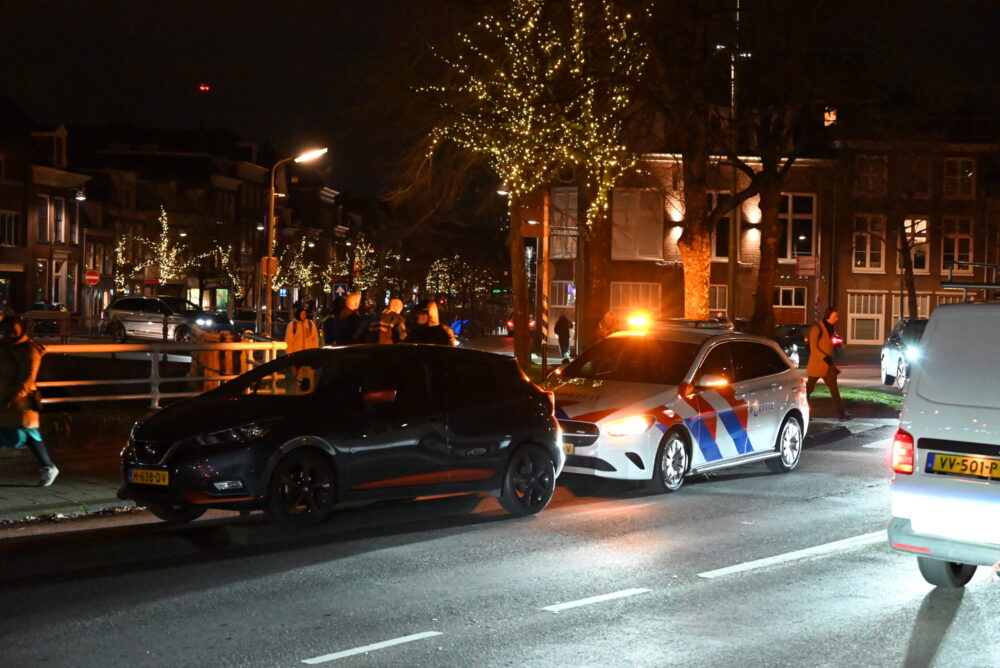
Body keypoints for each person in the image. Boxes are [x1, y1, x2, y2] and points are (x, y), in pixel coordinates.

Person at [0, 317, 56, 486]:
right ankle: (48, 466)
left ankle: (48, 466)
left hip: (19, 401)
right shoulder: (5, 347)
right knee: (26, 434)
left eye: (12, 331)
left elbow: (27, 378)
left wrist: (11, 397)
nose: (9, 334)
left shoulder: (29, 350)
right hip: (6, 397)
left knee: (30, 433)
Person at [807, 307, 851, 421]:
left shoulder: (831, 328)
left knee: (834, 390)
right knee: (808, 390)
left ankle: (842, 414)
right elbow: (813, 347)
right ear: (828, 316)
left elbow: (829, 343)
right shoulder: (817, 329)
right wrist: (825, 357)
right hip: (817, 365)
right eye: (834, 316)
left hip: (828, 366)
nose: (837, 318)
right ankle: (805, 413)